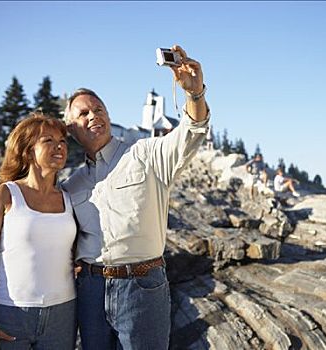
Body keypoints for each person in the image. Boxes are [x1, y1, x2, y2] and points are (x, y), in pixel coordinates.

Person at [61, 45, 208, 349]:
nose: (94, 116)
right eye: (84, 113)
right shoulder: (70, 185)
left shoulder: (145, 153)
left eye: (99, 109)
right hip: (90, 289)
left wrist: (194, 95)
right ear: (71, 129)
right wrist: (0, 202)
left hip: (143, 287)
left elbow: (190, 134)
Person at [0, 113, 77, 349]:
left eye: (62, 141)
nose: (59, 146)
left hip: (63, 312)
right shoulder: (4, 195)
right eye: (48, 140)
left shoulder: (70, 199)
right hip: (9, 313)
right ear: (29, 151)